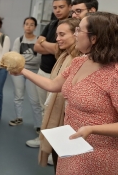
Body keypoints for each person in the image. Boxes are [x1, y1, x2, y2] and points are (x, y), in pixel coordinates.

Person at [11, 12, 118, 175]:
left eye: (78, 31)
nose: (75, 35)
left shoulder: (114, 74)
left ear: (94, 38)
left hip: (98, 153)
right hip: (71, 145)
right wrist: (22, 71)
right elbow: (53, 85)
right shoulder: (79, 62)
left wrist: (92, 129)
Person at [27, 0, 71, 148]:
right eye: (55, 7)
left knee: (55, 112)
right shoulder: (51, 24)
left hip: (58, 74)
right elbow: (36, 47)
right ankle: (42, 141)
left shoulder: (71, 25)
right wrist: (50, 46)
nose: (58, 10)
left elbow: (59, 50)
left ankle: (53, 147)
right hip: (43, 71)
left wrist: (46, 44)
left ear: (69, 7)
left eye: (61, 7)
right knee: (43, 108)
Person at [38, 18, 81, 171]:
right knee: (59, 158)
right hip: (60, 112)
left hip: (68, 117)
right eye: (57, 35)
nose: (57, 39)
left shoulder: (79, 61)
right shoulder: (64, 56)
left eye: (62, 34)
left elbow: (55, 86)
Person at [9, 17, 42, 133]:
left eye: (31, 24)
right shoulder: (19, 40)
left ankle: (38, 124)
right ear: (23, 26)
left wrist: (25, 61)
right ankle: (19, 118)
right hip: (19, 71)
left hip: (33, 72)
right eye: (26, 24)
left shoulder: (39, 40)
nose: (28, 26)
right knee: (18, 96)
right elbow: (15, 56)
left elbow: (38, 59)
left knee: (35, 100)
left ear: (35, 27)